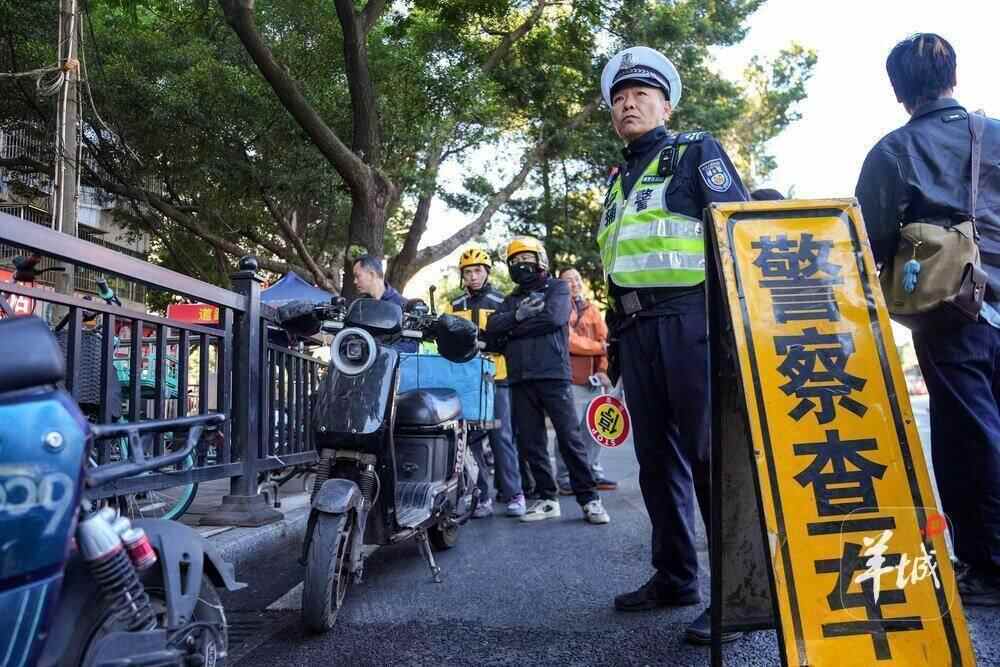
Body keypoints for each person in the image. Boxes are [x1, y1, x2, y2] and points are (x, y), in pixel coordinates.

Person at [595, 46, 747, 643]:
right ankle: (676, 575)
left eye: (641, 95)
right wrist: (614, 343)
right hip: (636, 330)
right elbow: (619, 266)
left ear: (666, 106)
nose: (627, 104)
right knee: (655, 462)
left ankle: (736, 595)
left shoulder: (694, 151)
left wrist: (735, 325)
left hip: (692, 319)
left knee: (709, 456)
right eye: (618, 98)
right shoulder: (617, 182)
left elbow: (736, 228)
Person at [856, 33, 1000, 606]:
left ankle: (989, 568)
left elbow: (868, 240)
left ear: (899, 90)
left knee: (969, 437)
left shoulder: (895, 150)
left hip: (952, 311)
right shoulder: (995, 133)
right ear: (953, 76)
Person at [486, 236, 610, 525]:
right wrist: (518, 315)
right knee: (532, 443)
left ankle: (589, 499)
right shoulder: (511, 299)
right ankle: (547, 499)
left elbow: (553, 318)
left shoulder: (557, 288)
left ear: (539, 260)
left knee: (570, 438)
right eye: (515, 261)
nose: (521, 264)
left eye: (526, 258)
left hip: (553, 374)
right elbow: (492, 328)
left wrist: (512, 327)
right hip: (520, 378)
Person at [450, 246, 527, 518]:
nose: (472, 276)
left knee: (500, 436)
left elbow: (510, 338)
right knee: (470, 439)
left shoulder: (501, 301)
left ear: (487, 272)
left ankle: (514, 493)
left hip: (497, 377)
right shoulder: (455, 305)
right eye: (467, 272)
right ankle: (481, 496)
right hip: (467, 380)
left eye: (477, 271)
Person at [552, 267, 618, 494]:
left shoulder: (592, 309)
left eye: (577, 278)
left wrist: (603, 370)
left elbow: (605, 341)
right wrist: (599, 348)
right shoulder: (559, 308)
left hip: (594, 381)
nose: (574, 283)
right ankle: (564, 477)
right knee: (568, 431)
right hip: (569, 379)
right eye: (568, 280)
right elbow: (569, 341)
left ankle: (591, 472)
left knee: (595, 430)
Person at [351, 255, 417, 353]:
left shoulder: (404, 306)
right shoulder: (358, 306)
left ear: (372, 274)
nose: (355, 281)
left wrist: (378, 350)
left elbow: (411, 346)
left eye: (357, 276)